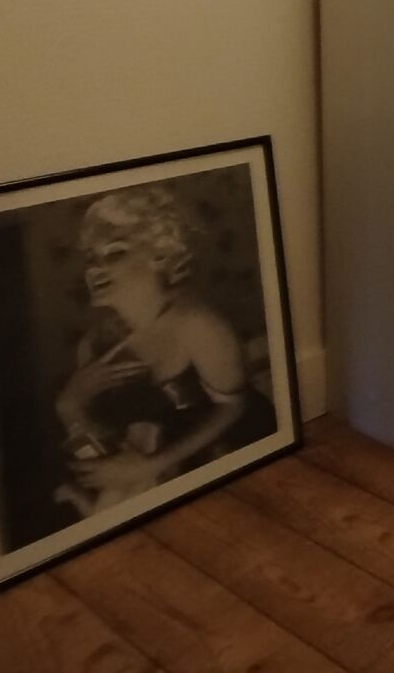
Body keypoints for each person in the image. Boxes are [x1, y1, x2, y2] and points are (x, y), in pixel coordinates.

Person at [52, 183, 274, 518]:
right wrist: (69, 403)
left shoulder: (197, 324)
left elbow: (234, 408)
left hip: (223, 458)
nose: (95, 269)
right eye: (91, 258)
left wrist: (150, 466)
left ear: (159, 256)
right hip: (150, 481)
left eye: (114, 253)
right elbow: (104, 438)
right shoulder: (94, 344)